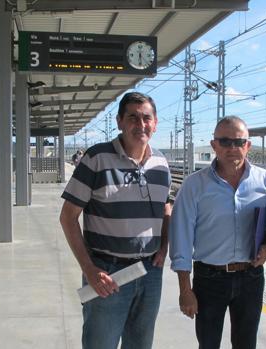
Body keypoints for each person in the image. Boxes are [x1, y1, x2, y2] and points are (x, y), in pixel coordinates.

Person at [59, 92, 171, 349]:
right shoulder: (97, 158)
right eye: (132, 117)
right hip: (107, 273)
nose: (140, 124)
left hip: (149, 273)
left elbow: (166, 206)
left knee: (140, 344)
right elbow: (68, 217)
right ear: (119, 121)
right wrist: (89, 269)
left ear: (154, 124)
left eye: (146, 118)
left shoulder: (160, 163)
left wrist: (164, 247)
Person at [169, 116, 266, 349]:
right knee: (208, 343)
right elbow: (181, 237)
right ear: (214, 145)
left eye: (239, 142)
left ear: (248, 145)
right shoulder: (194, 185)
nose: (233, 148)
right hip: (209, 278)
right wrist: (185, 289)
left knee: (246, 343)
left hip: (251, 277)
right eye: (225, 141)